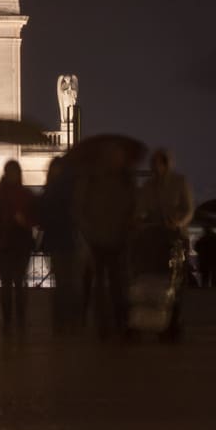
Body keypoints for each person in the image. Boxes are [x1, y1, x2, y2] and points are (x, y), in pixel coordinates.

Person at [76, 143, 136, 338]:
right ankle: (108, 323)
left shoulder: (122, 181)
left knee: (114, 283)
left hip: (115, 239)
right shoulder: (96, 181)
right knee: (104, 284)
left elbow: (133, 208)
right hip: (101, 240)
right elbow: (81, 210)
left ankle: (117, 321)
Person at [135, 148, 194, 339]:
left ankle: (174, 323)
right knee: (158, 281)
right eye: (154, 164)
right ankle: (159, 321)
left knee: (176, 282)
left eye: (160, 163)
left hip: (175, 237)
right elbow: (141, 209)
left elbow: (188, 209)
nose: (157, 168)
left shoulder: (179, 182)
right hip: (155, 238)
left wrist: (177, 222)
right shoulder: (148, 186)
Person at [38, 155, 84, 330]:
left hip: (59, 239)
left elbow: (42, 217)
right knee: (69, 282)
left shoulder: (50, 191)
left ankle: (62, 320)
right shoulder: (72, 190)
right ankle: (70, 320)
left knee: (64, 282)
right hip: (67, 239)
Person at [0, 160, 37, 331]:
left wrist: (24, 221)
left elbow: (34, 216)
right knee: (8, 283)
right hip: (6, 243)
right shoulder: (17, 194)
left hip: (18, 243)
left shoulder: (6, 194)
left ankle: (17, 318)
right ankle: (9, 319)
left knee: (17, 282)